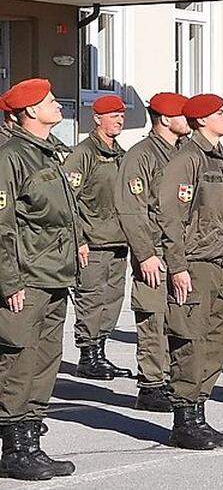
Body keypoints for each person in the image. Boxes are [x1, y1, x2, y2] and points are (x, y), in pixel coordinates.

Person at [0, 79, 85, 479]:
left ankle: (31, 440)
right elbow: (2, 227)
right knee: (19, 359)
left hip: (54, 273)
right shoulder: (11, 156)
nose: (58, 105)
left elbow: (65, 210)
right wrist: (9, 281)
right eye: (50, 101)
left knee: (46, 360)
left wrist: (80, 242)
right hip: (27, 277)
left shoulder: (48, 153)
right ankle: (14, 448)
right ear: (30, 111)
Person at [157, 93, 223, 450]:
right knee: (190, 338)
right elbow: (170, 217)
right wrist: (177, 266)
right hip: (195, 264)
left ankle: (199, 411)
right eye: (220, 113)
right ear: (202, 121)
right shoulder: (188, 159)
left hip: (220, 263)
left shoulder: (220, 160)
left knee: (215, 340)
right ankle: (184, 420)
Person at [116, 92, 189, 412]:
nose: (190, 120)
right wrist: (145, 254)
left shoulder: (183, 153)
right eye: (183, 115)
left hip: (180, 250)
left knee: (179, 318)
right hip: (155, 251)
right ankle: (151, 385)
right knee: (153, 319)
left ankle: (173, 378)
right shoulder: (141, 155)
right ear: (166, 119)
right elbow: (132, 209)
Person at [64, 94, 132, 381]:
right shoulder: (84, 154)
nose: (119, 118)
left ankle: (100, 350)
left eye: (121, 114)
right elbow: (68, 200)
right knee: (91, 299)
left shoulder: (121, 154)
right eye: (113, 114)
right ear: (97, 119)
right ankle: (88, 354)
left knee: (113, 299)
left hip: (118, 241)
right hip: (92, 241)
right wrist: (78, 239)